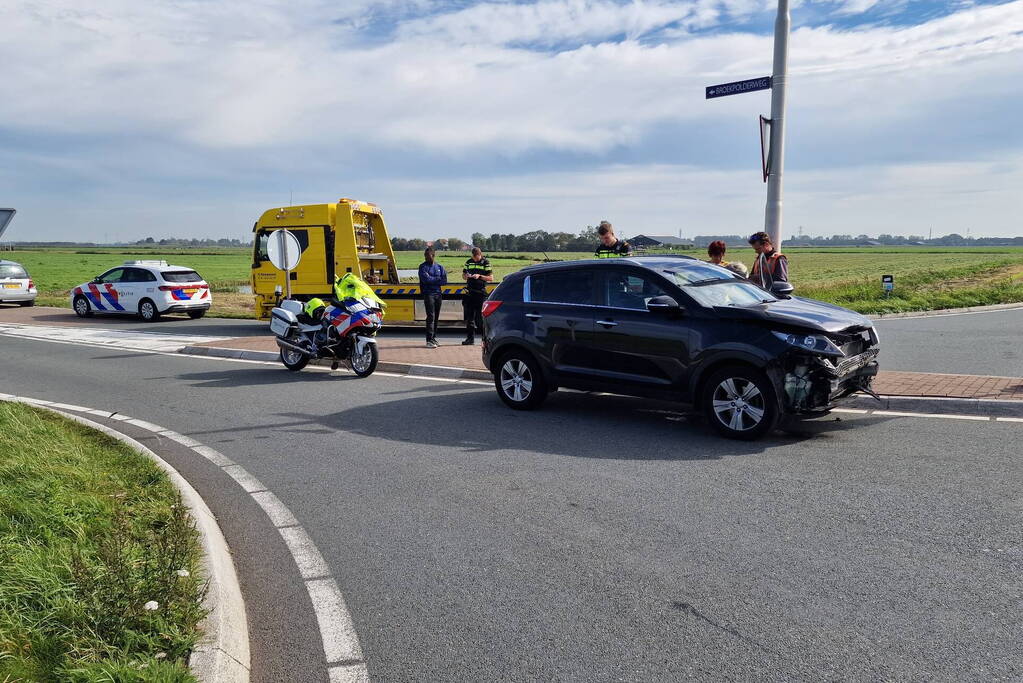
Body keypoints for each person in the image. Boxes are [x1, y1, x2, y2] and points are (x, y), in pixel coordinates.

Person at [461, 247, 492, 345]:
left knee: (480, 319)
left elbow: (491, 278)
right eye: (473, 257)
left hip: (480, 293)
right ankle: (470, 339)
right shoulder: (468, 262)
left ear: (480, 255)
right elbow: (463, 275)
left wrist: (480, 276)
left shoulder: (486, 263)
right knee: (469, 318)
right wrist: (466, 276)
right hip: (470, 293)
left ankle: (485, 340)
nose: (474, 259)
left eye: (476, 257)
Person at [418, 247, 446, 348]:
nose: (425, 257)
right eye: (425, 255)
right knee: (431, 317)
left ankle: (434, 338)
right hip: (428, 294)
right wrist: (437, 279)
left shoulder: (440, 267)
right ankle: (429, 340)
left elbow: (444, 281)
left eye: (427, 255)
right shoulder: (422, 267)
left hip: (438, 294)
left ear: (433, 255)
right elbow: (425, 280)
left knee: (436, 317)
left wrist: (432, 279)